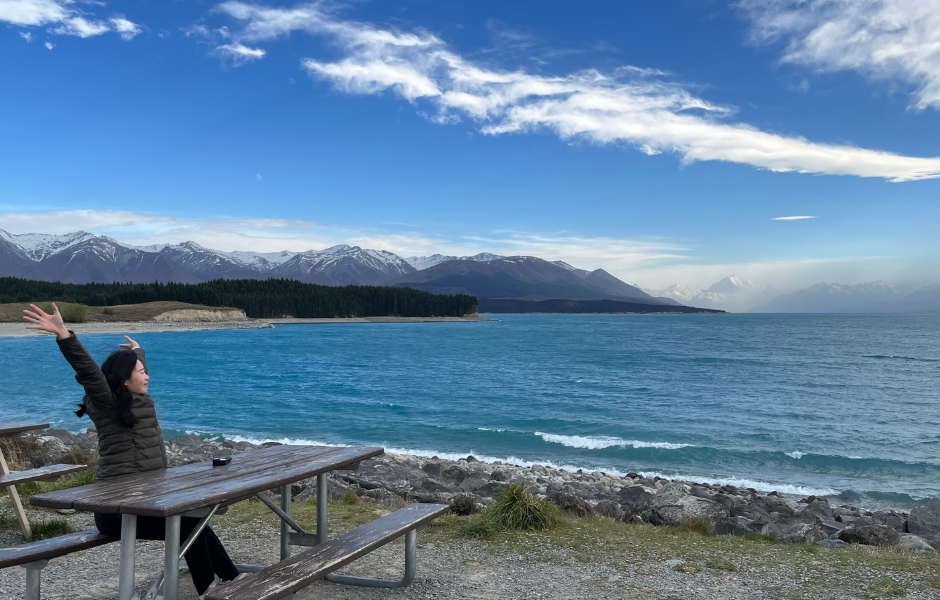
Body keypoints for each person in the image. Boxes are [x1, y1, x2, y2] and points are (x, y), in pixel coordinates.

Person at [24, 303, 244, 598]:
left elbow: (126, 372)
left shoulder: (137, 401)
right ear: (125, 379)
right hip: (116, 510)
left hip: (146, 501)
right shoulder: (108, 403)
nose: (148, 376)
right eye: (142, 372)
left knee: (196, 521)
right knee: (189, 527)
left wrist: (137, 354)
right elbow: (89, 372)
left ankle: (233, 580)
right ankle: (209, 588)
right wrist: (64, 334)